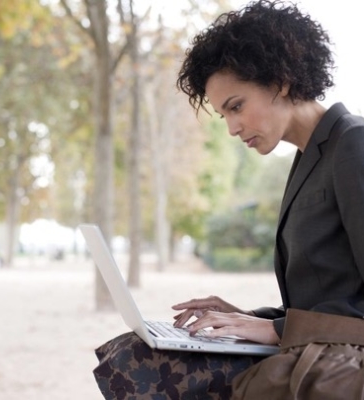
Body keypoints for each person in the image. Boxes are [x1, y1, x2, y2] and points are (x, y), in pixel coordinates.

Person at [93, 0, 364, 398]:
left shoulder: (353, 144)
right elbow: (330, 298)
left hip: (341, 361)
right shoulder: (311, 156)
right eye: (224, 115)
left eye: (236, 107)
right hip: (313, 345)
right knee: (130, 350)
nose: (233, 128)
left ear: (281, 80)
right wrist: (245, 317)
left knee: (141, 367)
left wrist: (273, 330)